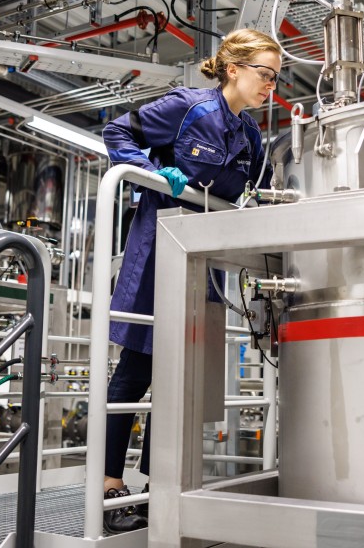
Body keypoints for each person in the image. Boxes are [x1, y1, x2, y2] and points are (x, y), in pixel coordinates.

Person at [99, 28, 283, 533]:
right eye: (265, 74)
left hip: (204, 268)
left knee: (182, 381)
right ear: (234, 69)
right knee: (136, 373)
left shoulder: (250, 136)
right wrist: (151, 171)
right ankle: (108, 486)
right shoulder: (188, 107)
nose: (272, 86)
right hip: (158, 253)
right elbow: (117, 131)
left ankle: (155, 483)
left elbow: (258, 195)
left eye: (276, 77)